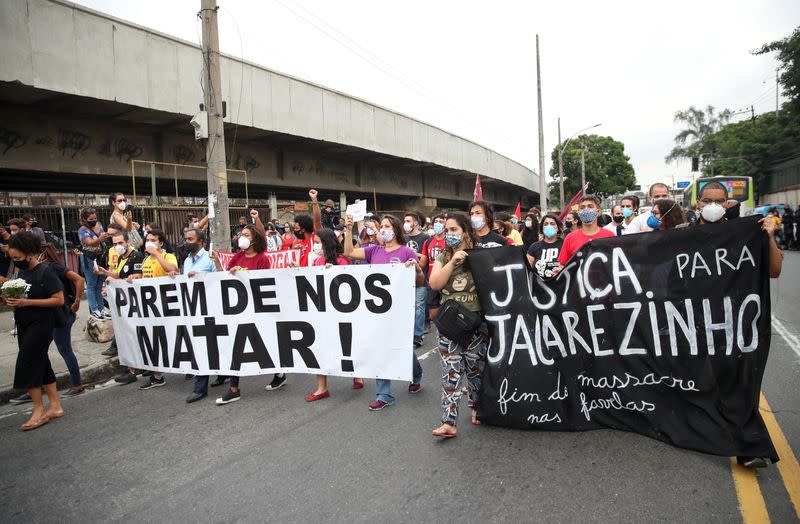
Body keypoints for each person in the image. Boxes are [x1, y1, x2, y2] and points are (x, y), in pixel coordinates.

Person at [344, 213, 425, 410]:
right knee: (381, 348)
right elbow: (349, 253)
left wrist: (417, 271)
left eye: (387, 226)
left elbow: (420, 282)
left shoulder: (407, 252)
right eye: (382, 227)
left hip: (399, 311)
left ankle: (416, 374)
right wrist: (348, 230)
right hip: (377, 312)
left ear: (395, 230)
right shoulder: (374, 250)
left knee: (402, 346)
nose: (383, 230)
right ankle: (384, 394)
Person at [211, 224, 286, 404]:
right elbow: (225, 278)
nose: (241, 237)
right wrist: (218, 264)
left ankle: (279, 373)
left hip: (256, 309)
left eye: (245, 234)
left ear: (254, 239)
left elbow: (264, 285)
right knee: (236, 344)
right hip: (238, 310)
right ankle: (234, 388)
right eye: (240, 234)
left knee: (264, 344)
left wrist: (245, 276)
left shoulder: (262, 260)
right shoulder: (237, 257)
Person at [428, 212, 487, 438]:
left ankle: (477, 408)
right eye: (447, 230)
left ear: (465, 231)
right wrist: (453, 261)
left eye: (454, 230)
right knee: (450, 374)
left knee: (475, 371)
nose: (449, 234)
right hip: (450, 327)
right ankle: (448, 422)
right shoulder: (443, 257)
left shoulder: (480, 255)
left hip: (476, 325)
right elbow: (434, 283)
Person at [2, 232, 65, 431]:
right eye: (12, 258)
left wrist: (26, 302)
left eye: (17, 258)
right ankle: (55, 406)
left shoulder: (44, 272)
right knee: (42, 362)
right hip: (24, 323)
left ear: (29, 253)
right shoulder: (21, 274)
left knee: (27, 363)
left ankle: (38, 410)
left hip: (41, 324)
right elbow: (21, 299)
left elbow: (58, 300)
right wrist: (11, 301)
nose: (15, 261)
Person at [304, 228, 364, 402]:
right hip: (322, 312)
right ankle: (321, 388)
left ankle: (357, 375)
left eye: (317, 242)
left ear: (327, 243)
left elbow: (348, 287)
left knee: (347, 344)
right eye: (314, 242)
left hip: (341, 313)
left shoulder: (342, 261)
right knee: (319, 347)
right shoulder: (316, 261)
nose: (315, 246)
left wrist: (334, 274)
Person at [94, 232, 145, 381]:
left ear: (128, 242)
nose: (118, 246)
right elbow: (118, 275)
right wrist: (106, 274)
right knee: (126, 336)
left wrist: (124, 279)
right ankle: (131, 368)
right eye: (115, 243)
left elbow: (138, 276)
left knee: (132, 335)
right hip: (123, 302)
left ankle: (135, 370)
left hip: (134, 301)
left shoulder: (137, 257)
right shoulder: (122, 258)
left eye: (120, 243)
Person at [40, 244, 86, 398]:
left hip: (62, 314)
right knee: (39, 350)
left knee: (64, 349)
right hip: (48, 316)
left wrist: (77, 301)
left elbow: (79, 279)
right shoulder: (39, 270)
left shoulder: (54, 268)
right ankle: (38, 385)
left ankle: (77, 384)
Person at [180, 228, 220, 403]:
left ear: (201, 242)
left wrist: (201, 276)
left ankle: (200, 388)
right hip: (192, 308)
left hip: (210, 308)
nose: (187, 242)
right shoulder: (187, 260)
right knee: (204, 344)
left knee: (207, 344)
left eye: (190, 239)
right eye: (186, 239)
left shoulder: (209, 259)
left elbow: (220, 279)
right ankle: (222, 374)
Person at [556, 195, 615, 267]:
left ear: (598, 211)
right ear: (578, 212)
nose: (586, 210)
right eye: (582, 207)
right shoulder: (570, 238)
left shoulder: (609, 236)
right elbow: (562, 265)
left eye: (590, 206)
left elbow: (615, 263)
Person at [77, 208, 110, 319]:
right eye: (91, 219)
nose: (94, 220)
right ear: (84, 219)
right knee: (91, 284)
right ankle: (94, 309)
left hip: (101, 257)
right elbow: (89, 243)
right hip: (89, 258)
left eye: (95, 218)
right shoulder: (82, 230)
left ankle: (101, 308)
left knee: (100, 284)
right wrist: (100, 238)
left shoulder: (99, 225)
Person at [404, 212, 430, 348]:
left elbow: (425, 259)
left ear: (415, 223)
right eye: (404, 220)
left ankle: (418, 335)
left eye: (408, 221)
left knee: (419, 308)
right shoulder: (403, 238)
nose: (406, 223)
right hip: (404, 281)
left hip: (420, 279)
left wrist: (411, 254)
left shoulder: (426, 238)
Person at [420, 214, 447, 324]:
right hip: (432, 282)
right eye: (436, 221)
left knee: (449, 310)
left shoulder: (449, 240)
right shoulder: (428, 242)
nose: (438, 223)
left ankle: (445, 336)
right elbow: (423, 262)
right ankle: (440, 331)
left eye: (441, 221)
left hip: (447, 281)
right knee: (433, 314)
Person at [291, 189, 324, 267]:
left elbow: (317, 221)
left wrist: (314, 201)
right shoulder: (298, 243)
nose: (294, 231)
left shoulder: (314, 238)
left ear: (303, 229)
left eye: (296, 228)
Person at [527, 214, 564, 279]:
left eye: (552, 223)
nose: (549, 226)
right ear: (542, 228)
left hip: (560, 285)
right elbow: (527, 269)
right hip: (539, 286)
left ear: (558, 228)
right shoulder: (534, 247)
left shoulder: (565, 245)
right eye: (546, 224)